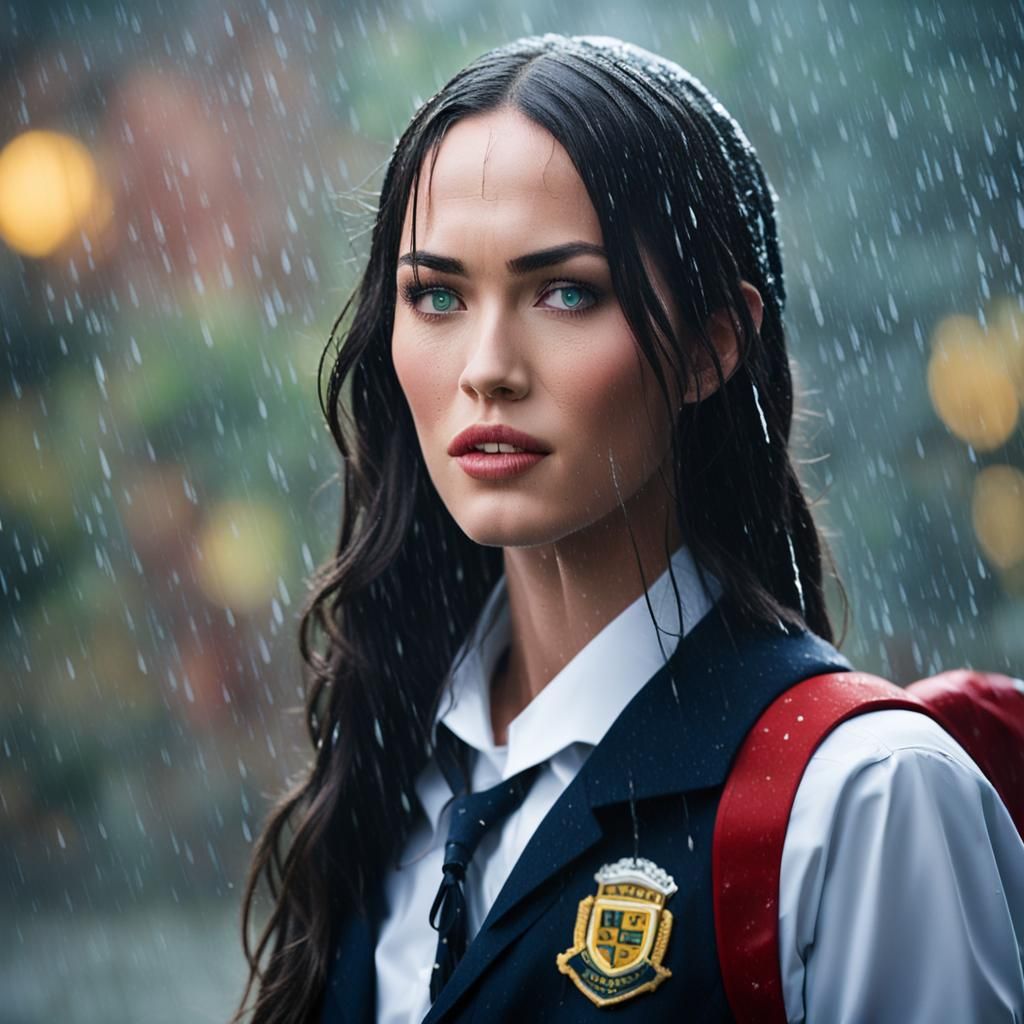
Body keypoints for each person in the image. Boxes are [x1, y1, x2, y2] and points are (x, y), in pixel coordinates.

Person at [233, 34, 1024, 1024]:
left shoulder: (859, 802)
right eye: (435, 295)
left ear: (708, 346)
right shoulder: (383, 777)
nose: (486, 366)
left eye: (565, 291)